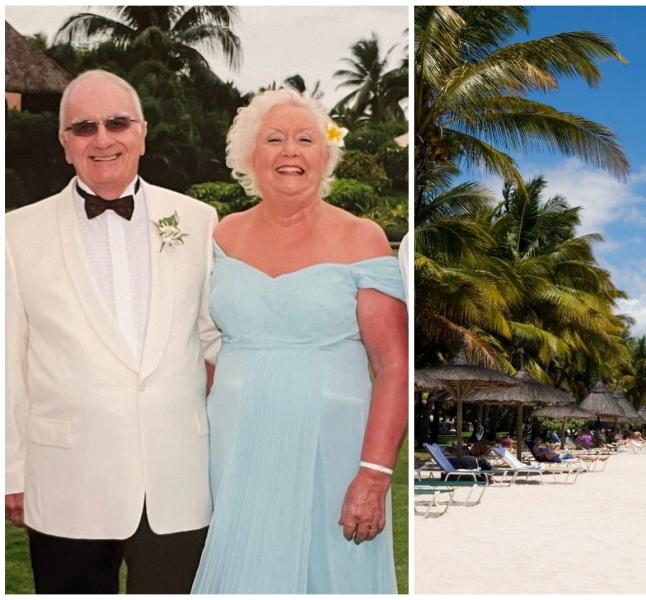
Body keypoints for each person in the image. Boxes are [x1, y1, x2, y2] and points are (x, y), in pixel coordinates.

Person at [5, 70, 220, 593]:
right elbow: (6, 359)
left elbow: (216, 340)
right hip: (66, 484)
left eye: (117, 123)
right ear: (65, 145)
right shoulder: (14, 232)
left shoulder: (198, 221)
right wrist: (10, 471)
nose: (102, 138)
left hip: (177, 483)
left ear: (142, 133)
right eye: (83, 127)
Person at [190, 89, 407, 593]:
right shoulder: (222, 237)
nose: (290, 150)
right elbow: (202, 349)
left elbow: (394, 365)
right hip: (236, 453)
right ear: (249, 157)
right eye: (274, 139)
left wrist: (373, 475)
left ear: (325, 156)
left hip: (333, 457)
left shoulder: (363, 238)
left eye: (305, 139)